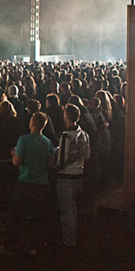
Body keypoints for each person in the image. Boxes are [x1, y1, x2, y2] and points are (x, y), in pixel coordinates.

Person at [0, 111, 55, 256]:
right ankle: (33, 246)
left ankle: (11, 244)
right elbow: (50, 164)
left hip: (26, 181)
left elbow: (17, 162)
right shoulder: (47, 142)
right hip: (42, 183)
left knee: (15, 215)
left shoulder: (23, 140)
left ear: (32, 123)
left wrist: (13, 154)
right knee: (38, 217)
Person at [56, 103, 90, 247]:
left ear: (67, 116)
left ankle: (68, 240)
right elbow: (87, 155)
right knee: (72, 206)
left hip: (66, 175)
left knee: (66, 209)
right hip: (78, 173)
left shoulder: (66, 136)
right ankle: (73, 234)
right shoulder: (84, 134)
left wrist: (56, 168)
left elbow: (62, 160)